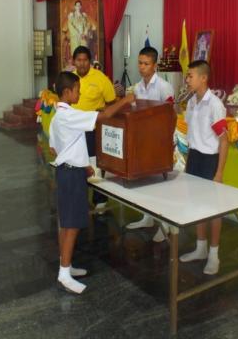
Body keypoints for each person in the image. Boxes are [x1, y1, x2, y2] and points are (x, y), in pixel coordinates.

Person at [49, 71, 135, 294]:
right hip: (71, 176)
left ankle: (65, 264)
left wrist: (83, 164)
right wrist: (125, 100)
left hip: (67, 171)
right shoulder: (69, 115)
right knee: (72, 225)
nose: (80, 94)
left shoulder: (58, 117)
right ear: (67, 92)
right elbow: (103, 116)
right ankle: (64, 274)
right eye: (77, 90)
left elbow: (56, 148)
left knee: (67, 222)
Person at [179, 60, 228, 275]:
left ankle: (214, 255)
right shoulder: (191, 102)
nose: (187, 79)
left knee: (213, 209)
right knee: (196, 204)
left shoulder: (214, 104)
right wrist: (188, 162)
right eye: (187, 75)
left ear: (203, 78)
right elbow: (192, 135)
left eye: (190, 76)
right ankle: (200, 248)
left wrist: (219, 172)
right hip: (194, 158)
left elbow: (224, 141)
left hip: (210, 160)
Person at [124, 47, 176, 241]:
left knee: (161, 184)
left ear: (154, 66)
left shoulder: (164, 87)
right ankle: (147, 217)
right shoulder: (137, 88)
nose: (141, 67)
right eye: (140, 63)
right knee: (146, 181)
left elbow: (170, 115)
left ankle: (165, 224)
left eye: (146, 64)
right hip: (143, 141)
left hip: (160, 141)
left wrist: (166, 139)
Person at [71, 46, 116, 212]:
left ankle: (100, 201)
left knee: (95, 165)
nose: (82, 63)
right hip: (74, 131)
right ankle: (80, 198)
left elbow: (111, 102)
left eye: (85, 60)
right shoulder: (70, 79)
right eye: (79, 60)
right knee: (77, 165)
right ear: (73, 61)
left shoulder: (100, 78)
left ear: (90, 61)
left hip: (93, 131)